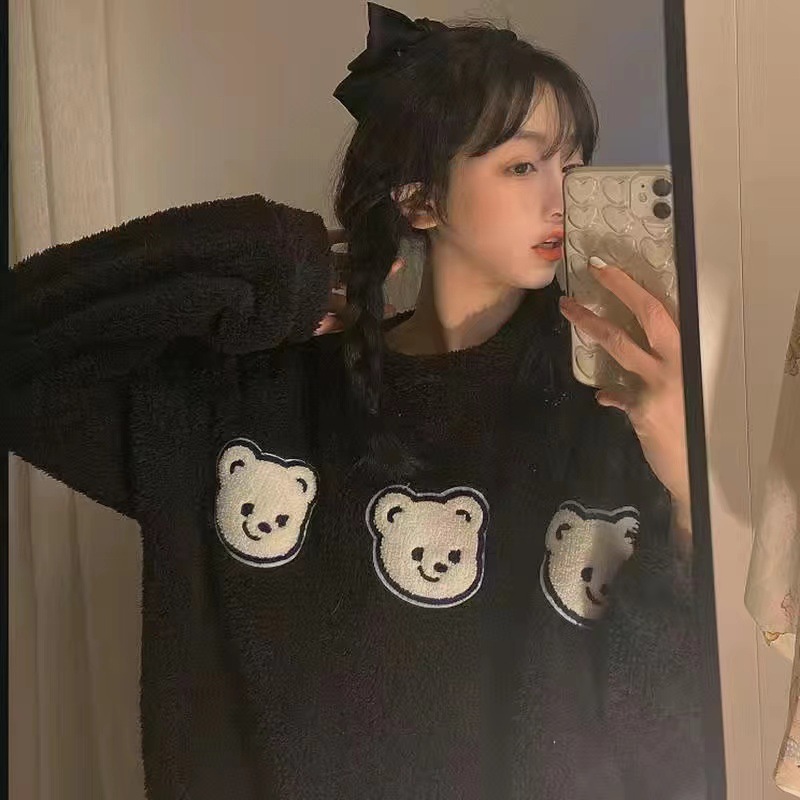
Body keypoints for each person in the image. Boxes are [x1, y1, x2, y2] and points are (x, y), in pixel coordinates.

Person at [1, 4, 703, 798]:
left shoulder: (619, 407)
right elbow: (24, 362)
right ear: (419, 199)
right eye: (522, 167)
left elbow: (673, 734)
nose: (563, 197)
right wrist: (277, 266)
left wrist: (689, 490)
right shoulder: (266, 405)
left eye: (575, 165)